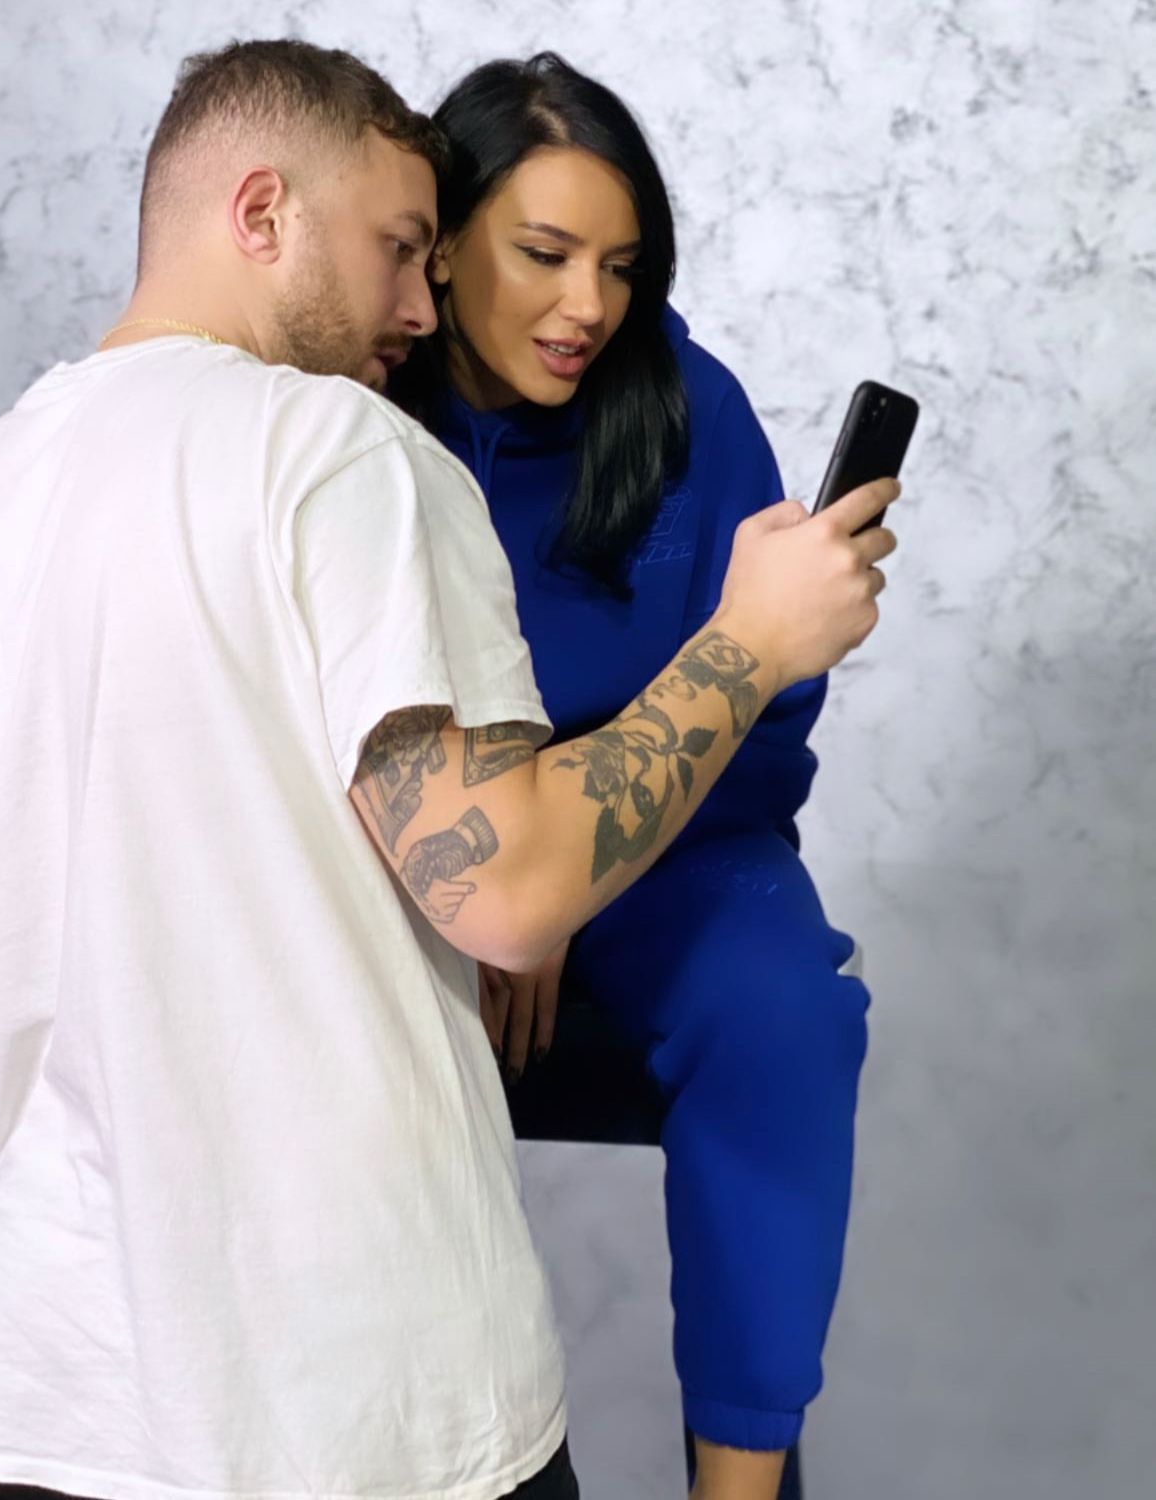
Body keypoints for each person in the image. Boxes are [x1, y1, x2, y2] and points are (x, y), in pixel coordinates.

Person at [0, 37, 895, 1500]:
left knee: (781, 1010)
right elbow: (511, 891)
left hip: (54, 1409)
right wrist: (749, 639)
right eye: (403, 247)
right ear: (264, 212)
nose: (412, 304)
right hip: (374, 1413)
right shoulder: (343, 446)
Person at [392, 53, 879, 1500]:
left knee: (788, 1012)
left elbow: (768, 710)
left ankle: (738, 1483)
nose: (589, 305)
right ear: (444, 240)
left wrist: (577, 874)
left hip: (668, 847)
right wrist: (504, 885)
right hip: (423, 860)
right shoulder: (360, 416)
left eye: (620, 265)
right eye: (545, 254)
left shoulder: (687, 400)